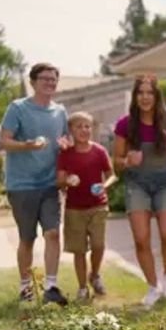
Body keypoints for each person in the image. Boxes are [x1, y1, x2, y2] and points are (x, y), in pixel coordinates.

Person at [112, 74, 166, 307]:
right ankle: (153, 287)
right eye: (140, 93)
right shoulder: (125, 124)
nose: (145, 97)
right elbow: (116, 163)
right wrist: (127, 161)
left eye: (149, 93)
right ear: (135, 96)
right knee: (141, 240)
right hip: (137, 185)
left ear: (156, 96)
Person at [0, 62, 72, 305]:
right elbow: (4, 141)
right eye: (45, 79)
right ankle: (25, 286)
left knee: (53, 233)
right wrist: (27, 145)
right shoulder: (18, 108)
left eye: (53, 79)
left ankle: (51, 287)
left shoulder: (60, 111)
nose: (50, 83)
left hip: (50, 184)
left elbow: (65, 139)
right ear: (33, 82)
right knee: (27, 238)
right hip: (22, 185)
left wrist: (66, 145)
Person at [57, 111, 117, 301]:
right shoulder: (66, 154)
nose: (84, 130)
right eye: (79, 126)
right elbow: (59, 181)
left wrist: (104, 186)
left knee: (98, 245)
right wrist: (67, 180)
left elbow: (112, 175)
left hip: (98, 206)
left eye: (87, 126)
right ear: (71, 130)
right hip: (74, 209)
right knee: (79, 250)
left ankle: (95, 275)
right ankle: (82, 288)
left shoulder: (99, 151)